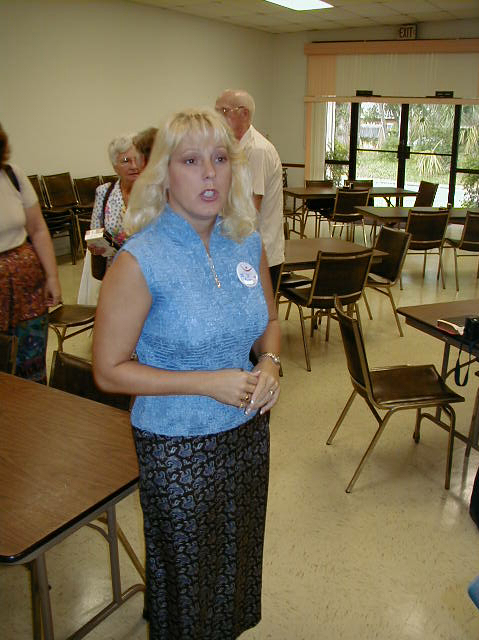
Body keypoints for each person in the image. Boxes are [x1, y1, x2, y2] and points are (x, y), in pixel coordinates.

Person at [93, 107, 281, 639]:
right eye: (191, 161)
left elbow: (269, 322)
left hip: (247, 433)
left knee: (235, 562)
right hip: (177, 446)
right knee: (187, 579)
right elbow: (108, 371)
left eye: (220, 158)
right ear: (164, 173)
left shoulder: (246, 241)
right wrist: (206, 382)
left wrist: (270, 363)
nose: (209, 173)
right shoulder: (140, 260)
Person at [0, 122, 62, 382]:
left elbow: (37, 229)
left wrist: (52, 277)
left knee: (31, 363)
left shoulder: (12, 175)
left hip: (28, 286)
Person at [215, 89, 285, 286]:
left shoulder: (257, 150)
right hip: (242, 250)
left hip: (260, 255)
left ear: (244, 113)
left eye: (223, 111)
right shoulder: (234, 148)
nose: (217, 117)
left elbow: (250, 210)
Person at [77, 133, 146, 304]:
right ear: (115, 167)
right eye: (126, 161)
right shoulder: (104, 192)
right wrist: (95, 245)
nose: (134, 166)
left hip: (148, 273)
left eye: (137, 159)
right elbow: (94, 231)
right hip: (115, 272)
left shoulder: (155, 192)